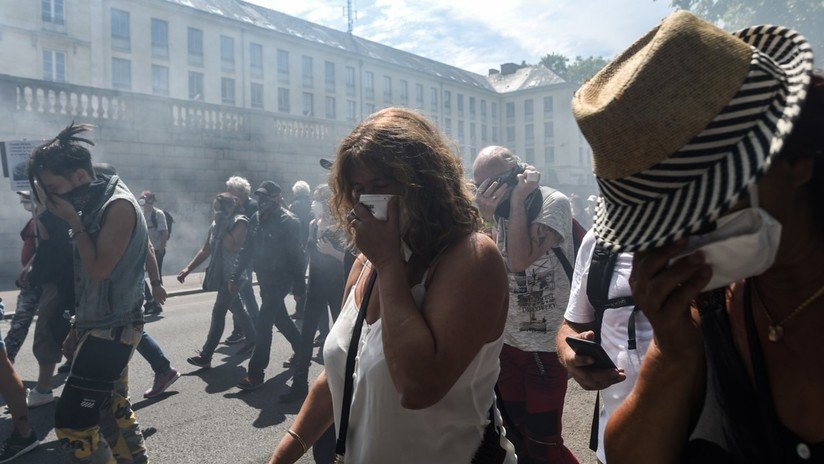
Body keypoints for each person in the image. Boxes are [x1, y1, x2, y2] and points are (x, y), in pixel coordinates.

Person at [567, 12, 823, 463]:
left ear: (795, 159)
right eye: (659, 224)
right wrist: (672, 351)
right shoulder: (710, 307)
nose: (677, 239)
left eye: (700, 208)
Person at [269, 108, 511, 464]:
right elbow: (341, 372)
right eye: (359, 189)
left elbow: (417, 387)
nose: (367, 201)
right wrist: (284, 454)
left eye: (380, 186)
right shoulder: (365, 263)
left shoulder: (471, 258)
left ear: (424, 183)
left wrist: (388, 263)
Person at [28, 123, 150, 463]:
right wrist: (79, 326)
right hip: (99, 325)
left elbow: (99, 270)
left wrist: (72, 222)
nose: (50, 198)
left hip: (114, 329)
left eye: (52, 188)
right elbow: (92, 283)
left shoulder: (118, 206)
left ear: (80, 175)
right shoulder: (96, 202)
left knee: (72, 425)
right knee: (111, 405)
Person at [473, 145, 578, 463]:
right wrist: (486, 218)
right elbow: (486, 265)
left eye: (494, 183)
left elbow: (517, 259)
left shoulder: (552, 202)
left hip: (545, 345)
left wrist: (517, 199)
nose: (488, 192)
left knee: (544, 443)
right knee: (518, 436)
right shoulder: (493, 211)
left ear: (517, 174)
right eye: (481, 186)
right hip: (507, 342)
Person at [556, 228, 651, 463]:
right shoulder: (600, 240)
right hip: (614, 444)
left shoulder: (720, 236)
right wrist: (570, 355)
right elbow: (571, 324)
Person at [233, 181, 305, 390]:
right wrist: (235, 276)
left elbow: (297, 257)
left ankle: (255, 373)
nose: (261, 201)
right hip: (264, 278)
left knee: (263, 324)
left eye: (266, 196)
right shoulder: (256, 219)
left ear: (276, 197)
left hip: (281, 279)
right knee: (280, 318)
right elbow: (247, 249)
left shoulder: (289, 221)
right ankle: (302, 350)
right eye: (259, 196)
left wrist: (299, 288)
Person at [281, 184, 345, 401]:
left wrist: (332, 252)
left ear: (328, 202)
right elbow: (308, 257)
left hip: (337, 288)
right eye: (314, 200)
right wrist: (302, 284)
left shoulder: (342, 226)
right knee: (306, 336)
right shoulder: (311, 224)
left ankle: (342, 385)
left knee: (340, 338)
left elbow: (355, 260)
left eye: (317, 200)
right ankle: (299, 384)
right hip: (316, 287)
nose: (313, 204)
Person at [180, 192, 257, 367]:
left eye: (221, 208)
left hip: (235, 276)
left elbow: (234, 245)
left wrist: (222, 227)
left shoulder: (241, 221)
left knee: (218, 312)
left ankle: (206, 355)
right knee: (237, 308)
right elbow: (206, 249)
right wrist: (187, 269)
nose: (218, 211)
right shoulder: (215, 224)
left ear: (232, 207)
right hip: (220, 275)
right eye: (216, 208)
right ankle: (253, 339)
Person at [225, 176, 260, 345]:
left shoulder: (253, 207)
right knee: (238, 293)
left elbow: (253, 234)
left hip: (247, 255)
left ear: (239, 192)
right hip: (236, 255)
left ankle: (252, 327)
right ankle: (242, 329)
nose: (228, 194)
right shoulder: (233, 207)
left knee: (245, 293)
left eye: (230, 190)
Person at [138, 191, 168, 315]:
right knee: (139, 275)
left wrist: (161, 250)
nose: (143, 201)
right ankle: (150, 300)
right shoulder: (141, 213)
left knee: (155, 277)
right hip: (144, 249)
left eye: (145, 199)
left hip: (156, 249)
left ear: (150, 200)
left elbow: (164, 232)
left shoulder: (158, 214)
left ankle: (156, 303)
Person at [288, 180, 313, 320]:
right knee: (302, 275)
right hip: (307, 243)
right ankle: (301, 307)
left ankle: (301, 308)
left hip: (297, 245)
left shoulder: (295, 205)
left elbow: (292, 222)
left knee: (297, 278)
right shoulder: (309, 203)